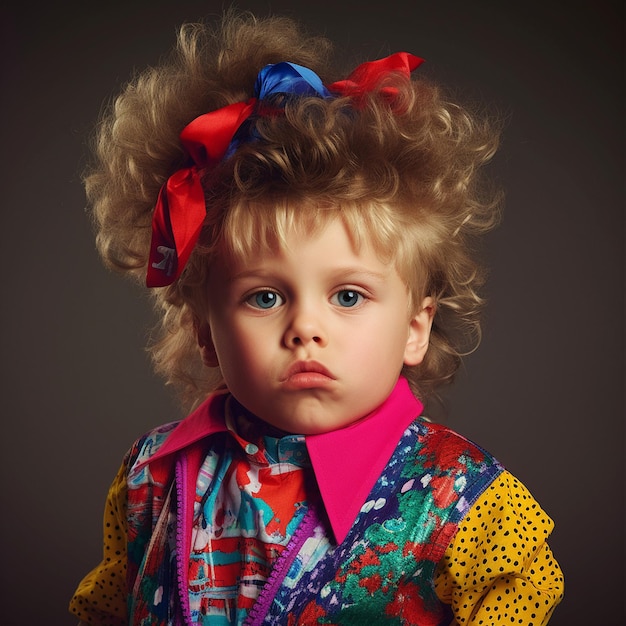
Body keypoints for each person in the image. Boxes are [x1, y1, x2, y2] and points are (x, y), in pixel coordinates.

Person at [69, 11, 564, 626]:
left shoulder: (460, 498)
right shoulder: (151, 477)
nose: (306, 327)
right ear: (204, 331)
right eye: (265, 297)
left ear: (416, 327)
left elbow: (521, 591)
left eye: (348, 296)